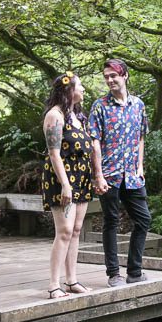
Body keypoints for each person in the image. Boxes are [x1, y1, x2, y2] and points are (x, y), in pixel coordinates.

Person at [88, 59, 152, 287]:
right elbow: (95, 143)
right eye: (106, 77)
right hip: (109, 174)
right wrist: (98, 175)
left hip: (133, 175)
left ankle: (134, 271)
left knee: (143, 220)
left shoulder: (139, 105)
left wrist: (141, 166)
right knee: (111, 222)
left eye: (113, 75)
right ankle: (114, 273)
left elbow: (141, 137)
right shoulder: (99, 106)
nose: (109, 80)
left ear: (124, 75)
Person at [42, 71, 94, 299]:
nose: (83, 89)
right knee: (63, 231)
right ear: (69, 90)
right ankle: (54, 284)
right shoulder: (55, 116)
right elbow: (54, 154)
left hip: (81, 177)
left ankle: (71, 280)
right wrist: (65, 185)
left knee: (75, 231)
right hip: (63, 178)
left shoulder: (76, 116)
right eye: (80, 86)